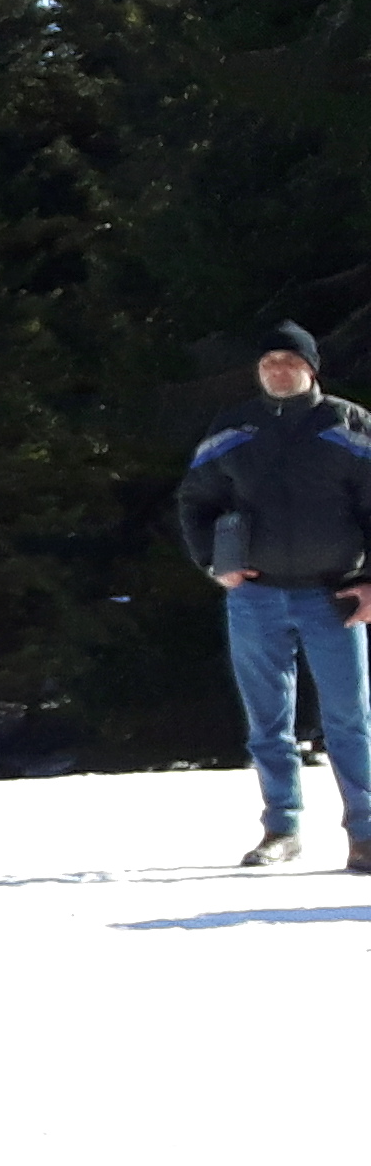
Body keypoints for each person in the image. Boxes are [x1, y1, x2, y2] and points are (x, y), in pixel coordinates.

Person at [176, 321, 371, 871]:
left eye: (289, 361)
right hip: (256, 598)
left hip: (334, 595)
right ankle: (281, 828)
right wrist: (214, 562)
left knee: (349, 718)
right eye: (268, 363)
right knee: (267, 721)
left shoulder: (349, 425)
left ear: (311, 368)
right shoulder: (234, 427)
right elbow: (196, 499)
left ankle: (365, 831)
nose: (278, 370)